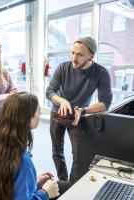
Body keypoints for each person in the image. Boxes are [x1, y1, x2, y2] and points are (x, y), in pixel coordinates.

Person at [46, 36, 113, 184]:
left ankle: (71, 185)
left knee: (78, 154)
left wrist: (84, 110)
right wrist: (61, 100)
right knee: (56, 151)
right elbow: (50, 91)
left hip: (78, 117)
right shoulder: (63, 67)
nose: (74, 58)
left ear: (91, 55)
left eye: (80, 54)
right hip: (57, 114)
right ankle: (62, 181)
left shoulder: (101, 73)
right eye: (73, 53)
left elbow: (105, 103)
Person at [0, 92, 60, 200]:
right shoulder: (22, 159)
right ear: (27, 118)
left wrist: (33, 183)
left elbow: (3, 184)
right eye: (38, 110)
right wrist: (45, 193)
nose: (40, 113)